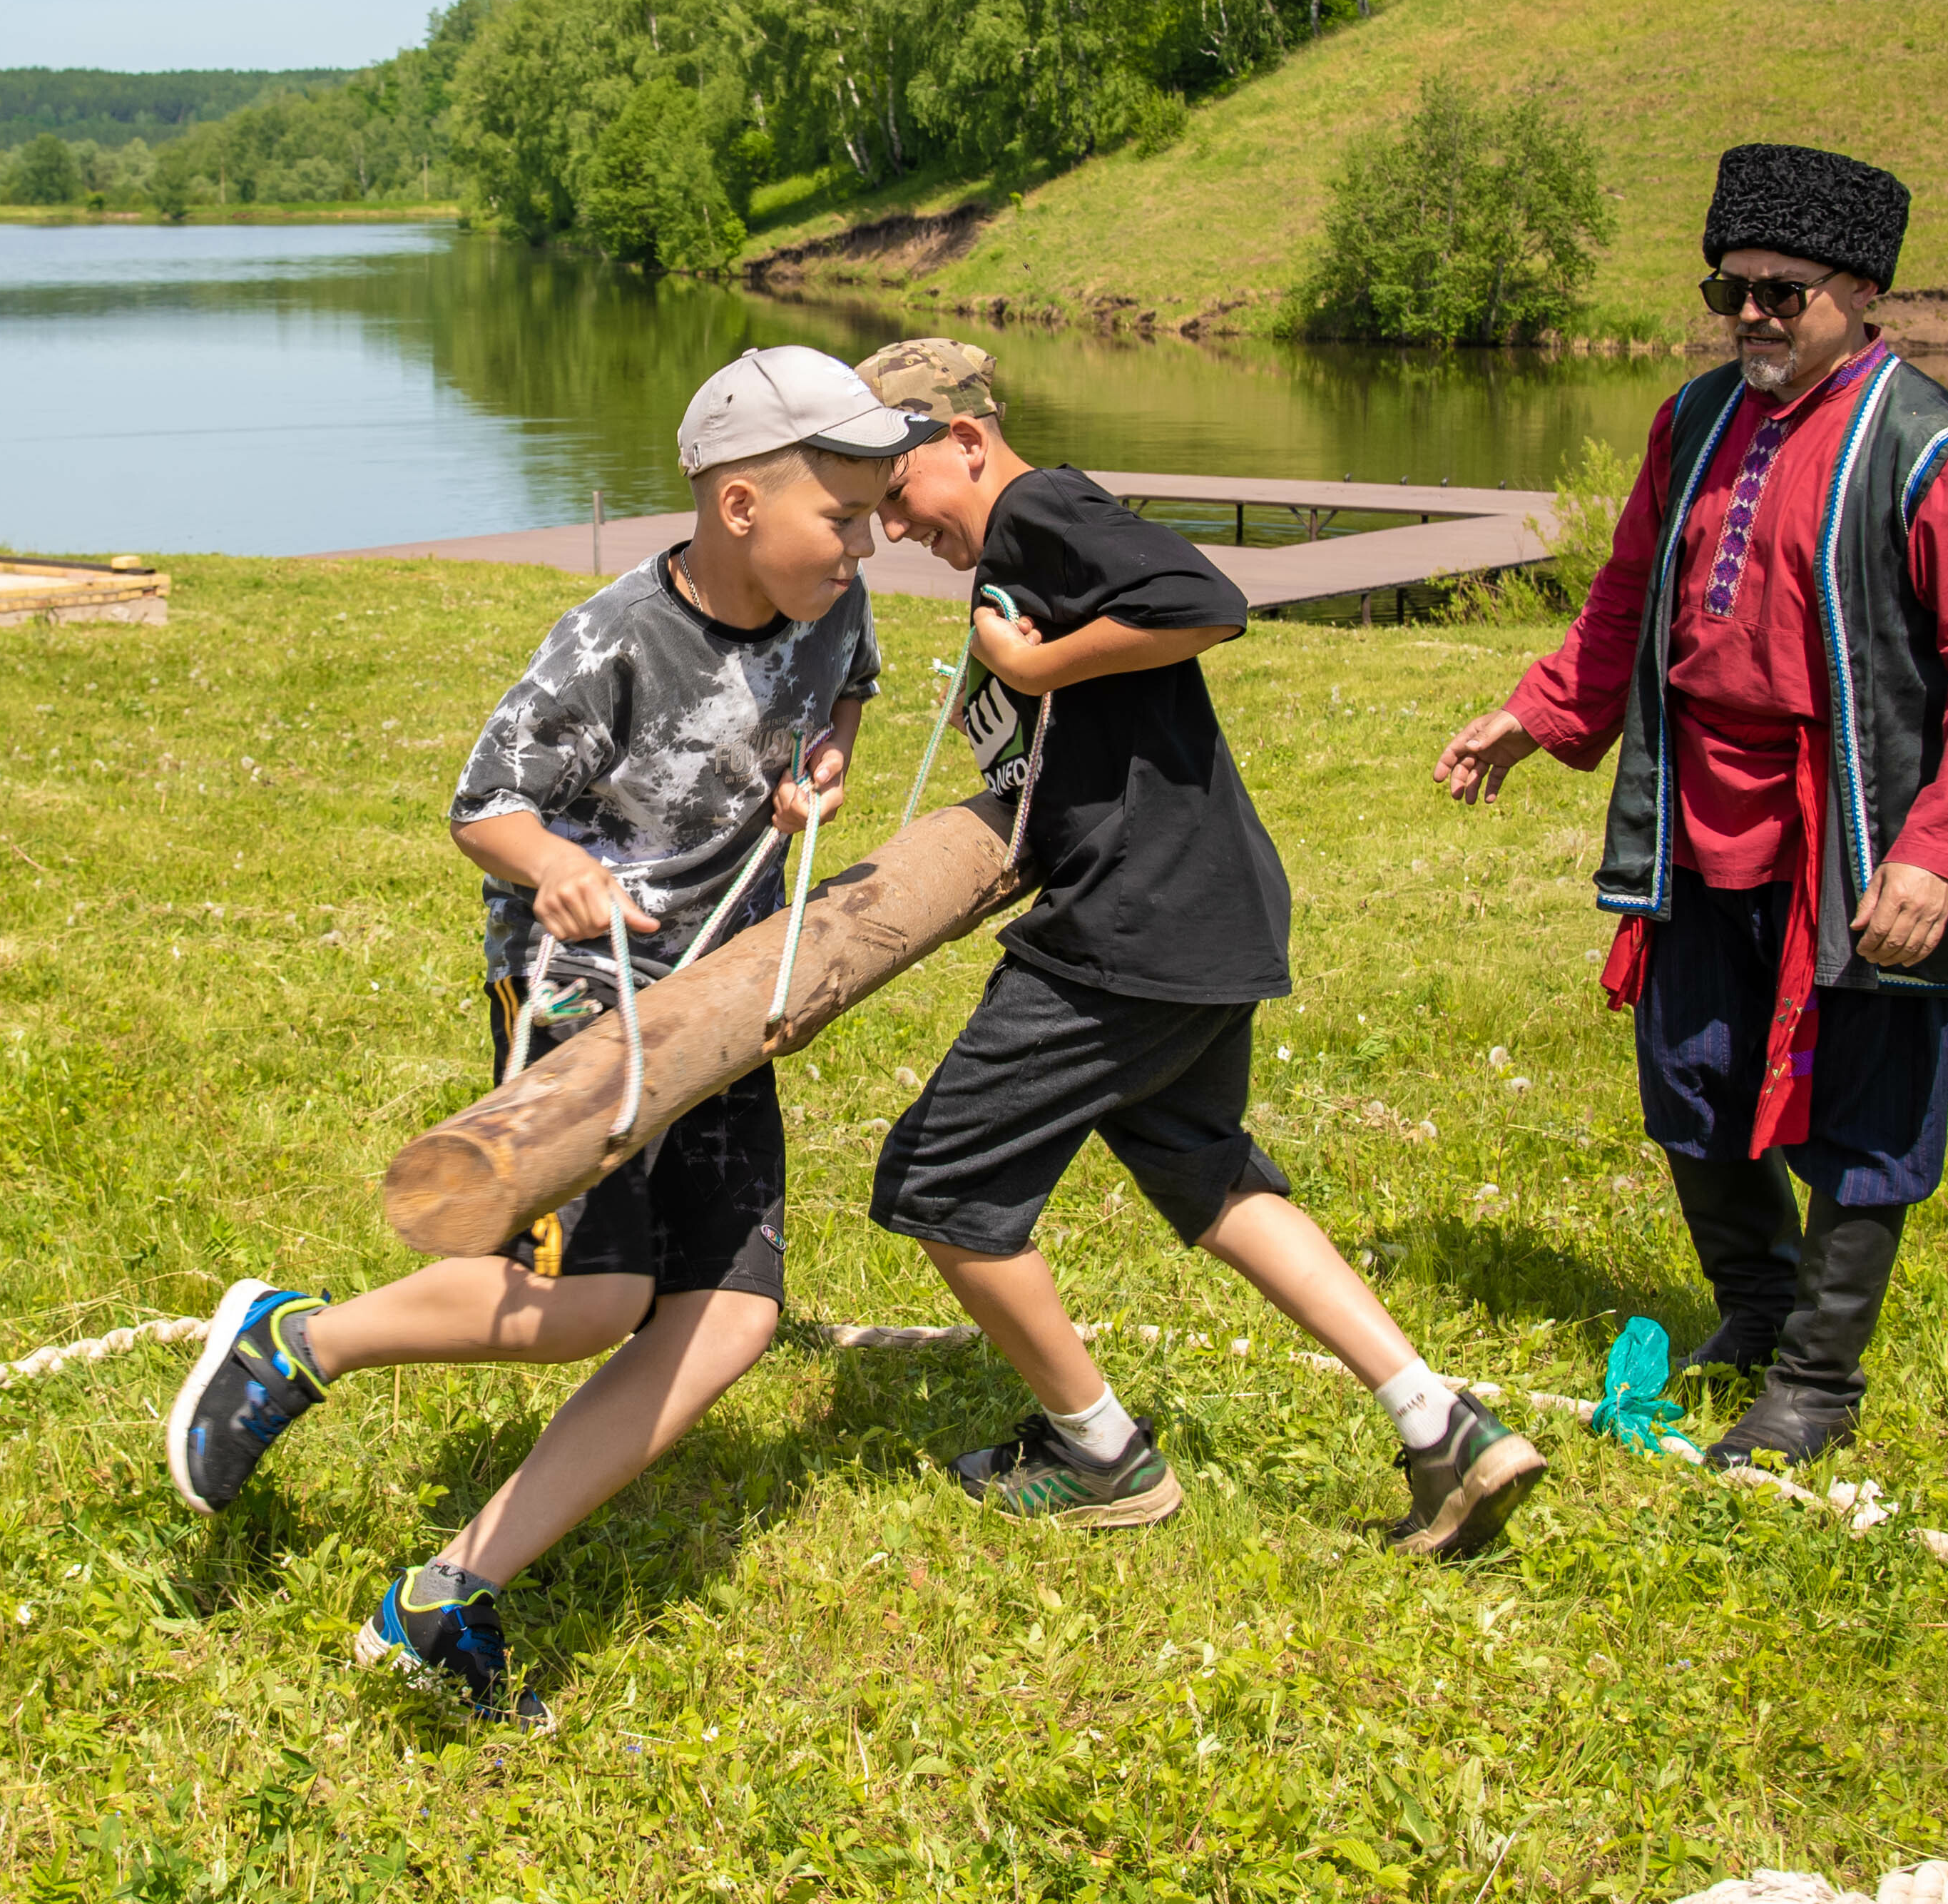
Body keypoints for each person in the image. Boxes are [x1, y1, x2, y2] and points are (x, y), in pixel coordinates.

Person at [160, 345, 934, 1727]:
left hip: (724, 994)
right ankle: (297, 1340)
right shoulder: (610, 641)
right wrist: (549, 866)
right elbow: (482, 802)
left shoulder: (834, 601)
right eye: (845, 511)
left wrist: (827, 768)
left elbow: (846, 695)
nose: (868, 539)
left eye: (878, 512)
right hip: (583, 999)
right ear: (739, 504)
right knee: (587, 1303)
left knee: (729, 1312)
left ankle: (443, 1593)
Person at [858, 337, 1545, 1558]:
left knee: (945, 1185)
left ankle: (1098, 1454)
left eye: (897, 494)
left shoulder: (1039, 511)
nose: (895, 527)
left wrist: (1032, 660)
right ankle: (1441, 1423)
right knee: (1208, 1175)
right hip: (1204, 910)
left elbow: (1205, 601)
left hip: (1133, 925)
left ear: (964, 442)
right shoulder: (1025, 534)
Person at [1431, 145, 1948, 1470]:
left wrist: (1939, 854)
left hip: (1856, 829)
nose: (1752, 317)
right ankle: (1756, 1314)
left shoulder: (1937, 456)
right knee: (1691, 1076)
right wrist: (1539, 716)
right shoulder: (1694, 421)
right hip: (1697, 815)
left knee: (1867, 1102)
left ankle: (1818, 1383)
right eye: (1730, 291)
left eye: (1781, 292)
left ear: (1862, 294)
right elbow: (1627, 594)